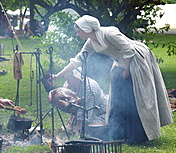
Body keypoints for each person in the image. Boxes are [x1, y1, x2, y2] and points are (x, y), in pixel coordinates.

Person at [52, 15, 173, 143]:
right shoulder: (91, 42)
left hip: (136, 59)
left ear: (87, 29)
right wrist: (57, 76)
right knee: (117, 95)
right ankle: (119, 133)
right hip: (121, 61)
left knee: (136, 95)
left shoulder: (109, 33)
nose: (77, 34)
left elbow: (128, 49)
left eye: (78, 31)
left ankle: (138, 136)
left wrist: (126, 70)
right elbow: (78, 60)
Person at [62, 69, 107, 136]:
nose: (67, 81)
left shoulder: (89, 88)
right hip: (82, 109)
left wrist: (78, 128)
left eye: (69, 79)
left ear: (76, 77)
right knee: (69, 129)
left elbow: (86, 111)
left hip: (98, 111)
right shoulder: (72, 83)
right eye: (66, 79)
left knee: (93, 127)